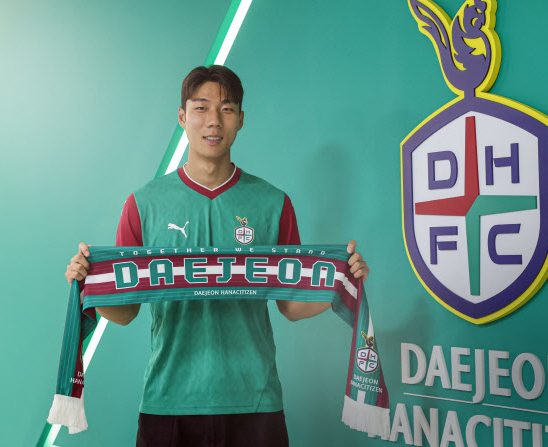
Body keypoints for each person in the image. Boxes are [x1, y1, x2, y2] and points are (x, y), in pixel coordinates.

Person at [64, 65, 370, 447]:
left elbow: (291, 305)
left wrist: (340, 281)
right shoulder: (143, 205)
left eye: (226, 109)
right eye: (201, 108)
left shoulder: (273, 203)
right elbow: (126, 312)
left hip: (255, 401)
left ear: (240, 119)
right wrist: (90, 285)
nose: (213, 121)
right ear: (182, 117)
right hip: (168, 400)